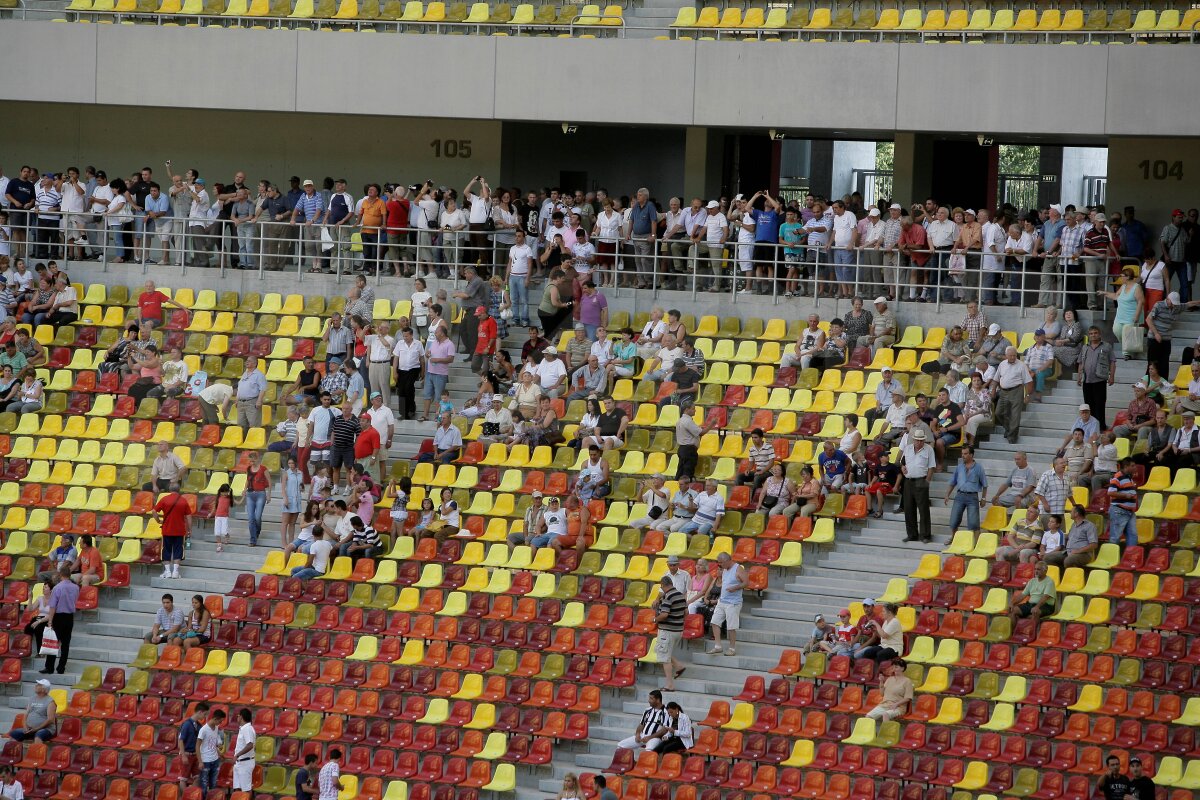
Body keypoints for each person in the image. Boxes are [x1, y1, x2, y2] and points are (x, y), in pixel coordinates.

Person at [39, 565, 78, 674]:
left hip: (59, 616)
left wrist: (50, 620)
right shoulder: (75, 587)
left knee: (53, 642)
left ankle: (49, 667)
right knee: (66, 644)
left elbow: (53, 606)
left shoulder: (57, 588)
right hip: (69, 617)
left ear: (61, 575)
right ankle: (61, 668)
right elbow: (75, 600)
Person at [706, 552, 746, 657]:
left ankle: (732, 648)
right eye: (718, 563)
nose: (719, 565)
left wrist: (735, 588)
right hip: (722, 601)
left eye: (721, 563)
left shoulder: (738, 569)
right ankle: (718, 646)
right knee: (714, 622)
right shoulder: (724, 569)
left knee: (731, 627)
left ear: (728, 561)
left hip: (733, 603)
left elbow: (746, 582)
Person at [900, 428, 935, 543]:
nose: (919, 442)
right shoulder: (908, 448)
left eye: (921, 440)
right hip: (908, 481)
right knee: (909, 509)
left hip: (921, 480)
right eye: (917, 440)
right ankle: (912, 534)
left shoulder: (929, 449)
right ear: (914, 440)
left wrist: (927, 481)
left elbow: (931, 466)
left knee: (923, 509)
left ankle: (926, 535)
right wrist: (902, 468)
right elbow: (903, 462)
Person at [653, 574, 688, 691]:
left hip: (667, 631)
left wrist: (655, 619)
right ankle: (679, 666)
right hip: (678, 630)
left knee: (664, 658)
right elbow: (686, 613)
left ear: (663, 585)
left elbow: (664, 614)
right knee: (662, 651)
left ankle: (669, 685)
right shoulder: (681, 595)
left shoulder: (668, 597)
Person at [1078, 326, 1116, 429]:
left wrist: (1111, 376)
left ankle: (1101, 426)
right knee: (1089, 405)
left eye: (1095, 333)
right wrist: (1079, 376)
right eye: (1091, 333)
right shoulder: (1085, 347)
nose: (1093, 335)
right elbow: (1081, 362)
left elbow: (1112, 361)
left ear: (1099, 334)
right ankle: (1091, 426)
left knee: (1100, 404)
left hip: (1099, 380)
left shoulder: (1106, 346)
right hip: (1087, 380)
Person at [944, 445, 986, 534]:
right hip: (960, 495)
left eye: (965, 454)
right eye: (962, 454)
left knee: (974, 522)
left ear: (971, 455)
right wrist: (947, 494)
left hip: (972, 496)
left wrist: (983, 498)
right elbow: (953, 482)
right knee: (954, 520)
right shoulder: (959, 467)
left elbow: (985, 484)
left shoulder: (979, 468)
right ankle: (953, 538)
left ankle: (976, 543)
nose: (963, 455)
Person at [1045, 505, 1098, 569]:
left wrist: (1078, 551)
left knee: (1069, 560)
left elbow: (1094, 545)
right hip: (1068, 552)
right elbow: (1068, 537)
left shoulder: (1090, 526)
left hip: (1084, 554)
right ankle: (1059, 576)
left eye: (1071, 511)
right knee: (1048, 557)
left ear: (1076, 514)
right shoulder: (1073, 525)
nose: (1070, 513)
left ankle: (1068, 576)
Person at [1007, 560, 1057, 624]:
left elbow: (1045, 597)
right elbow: (1022, 595)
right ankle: (1013, 633)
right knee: (1012, 610)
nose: (1036, 571)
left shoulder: (1049, 581)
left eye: (1038, 569)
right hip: (1030, 605)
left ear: (1045, 571)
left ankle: (1032, 633)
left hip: (1045, 606)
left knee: (1035, 612)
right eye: (1035, 569)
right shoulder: (1032, 581)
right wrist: (1012, 603)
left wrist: (1037, 607)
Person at [9, 679, 56, 744]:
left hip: (46, 730)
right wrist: (25, 727)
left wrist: (36, 729)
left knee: (39, 735)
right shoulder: (32, 698)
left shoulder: (50, 701)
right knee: (14, 733)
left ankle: (37, 753)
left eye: (39, 685)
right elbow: (26, 714)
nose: (36, 686)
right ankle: (13, 753)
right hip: (30, 729)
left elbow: (50, 719)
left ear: (44, 689)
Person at [1106, 459, 1139, 550]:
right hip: (1119, 511)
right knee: (1115, 537)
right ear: (1126, 467)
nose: (1135, 467)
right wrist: (1125, 495)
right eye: (1132, 466)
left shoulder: (1129, 477)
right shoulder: (1117, 477)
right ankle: (1111, 558)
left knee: (1133, 535)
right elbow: (1110, 492)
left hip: (1130, 512)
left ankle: (1131, 557)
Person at [176, 702, 207, 791]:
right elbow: (181, 740)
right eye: (204, 714)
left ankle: (190, 795)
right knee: (183, 779)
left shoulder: (199, 725)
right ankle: (187, 796)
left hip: (195, 755)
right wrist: (183, 755)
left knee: (197, 778)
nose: (204, 717)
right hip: (187, 754)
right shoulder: (186, 724)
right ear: (200, 712)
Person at [230, 708, 257, 793]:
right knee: (237, 789)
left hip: (245, 763)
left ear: (241, 717)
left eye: (238, 716)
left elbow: (250, 745)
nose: (237, 718)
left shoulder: (247, 729)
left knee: (246, 789)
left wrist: (237, 755)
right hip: (240, 762)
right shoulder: (244, 728)